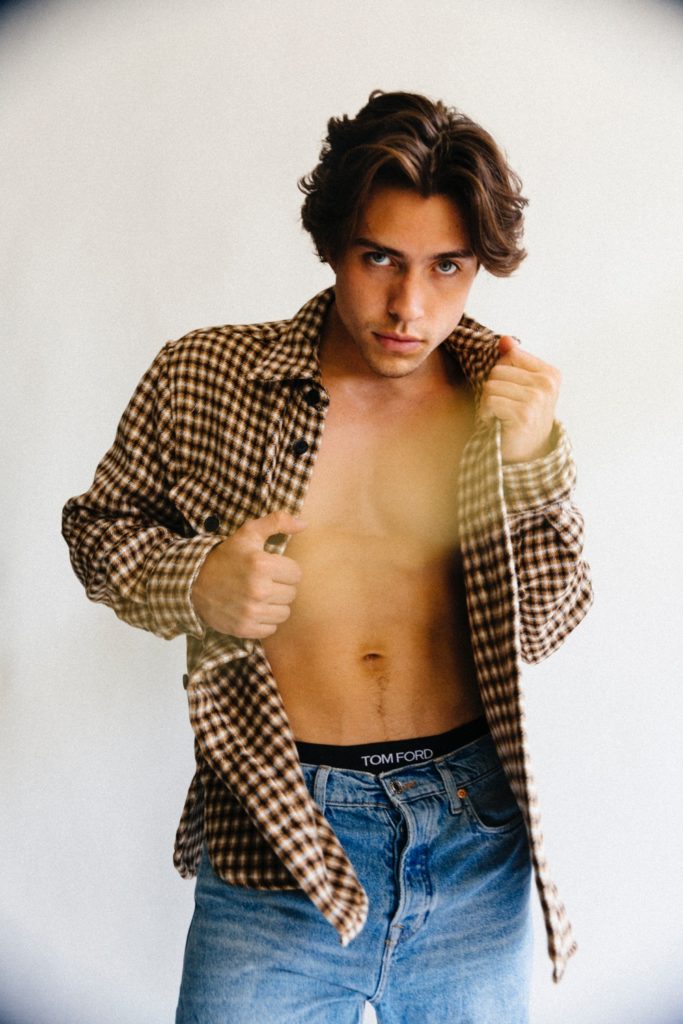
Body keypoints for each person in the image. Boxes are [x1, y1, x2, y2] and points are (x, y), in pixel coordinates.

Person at [62, 90, 593, 1023]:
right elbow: (97, 530)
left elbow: (547, 622)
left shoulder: (501, 401)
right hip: (278, 834)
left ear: (478, 266)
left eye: (446, 266)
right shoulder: (206, 376)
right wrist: (197, 583)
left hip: (473, 838)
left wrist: (533, 465)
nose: (408, 305)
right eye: (378, 257)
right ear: (333, 245)